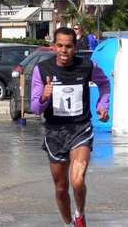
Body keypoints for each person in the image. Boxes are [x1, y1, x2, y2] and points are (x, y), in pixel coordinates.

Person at [30, 27, 110, 227]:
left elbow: (105, 84)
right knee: (60, 188)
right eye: (59, 46)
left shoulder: (87, 66)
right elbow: (35, 108)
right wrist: (44, 97)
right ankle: (69, 224)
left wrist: (102, 106)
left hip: (80, 129)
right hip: (55, 132)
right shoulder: (42, 70)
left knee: (77, 180)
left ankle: (80, 213)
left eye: (68, 46)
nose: (64, 51)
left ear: (75, 47)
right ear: (53, 46)